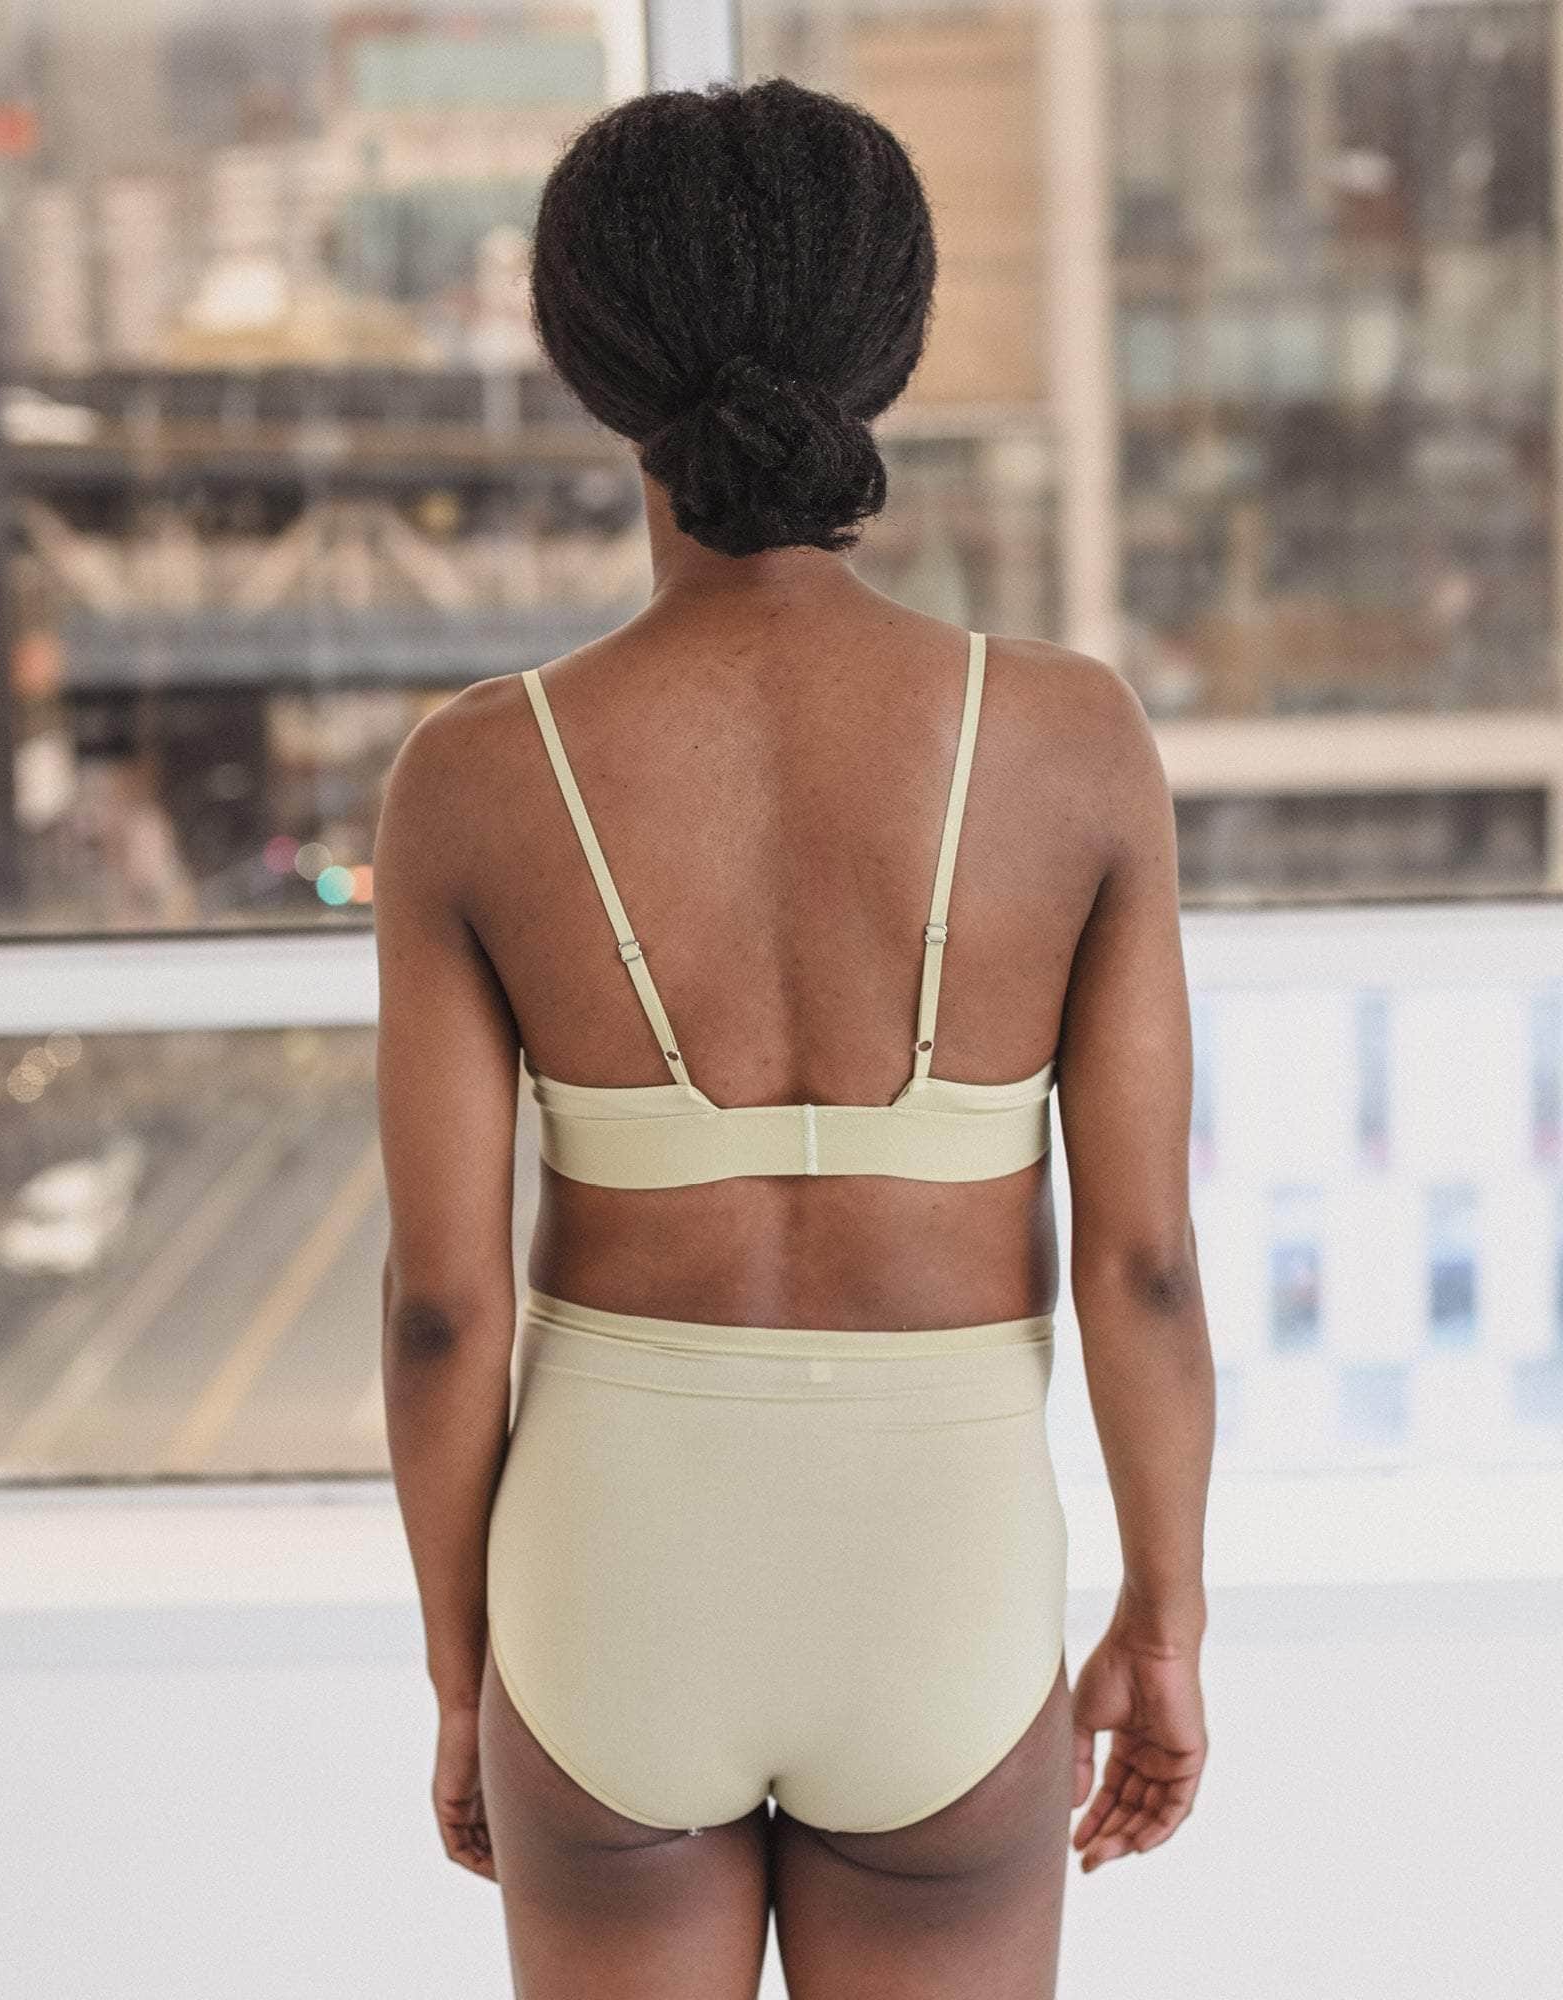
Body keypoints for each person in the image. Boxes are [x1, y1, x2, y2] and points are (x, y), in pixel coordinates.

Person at [373, 76, 1212, 2000]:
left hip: (609, 1575)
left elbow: (441, 1311)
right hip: (940, 1568)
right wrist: (1164, 1622)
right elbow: (1146, 1266)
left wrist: (467, 1672)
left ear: (588, 359)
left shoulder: (477, 774)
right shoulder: (1072, 741)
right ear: (886, 342)